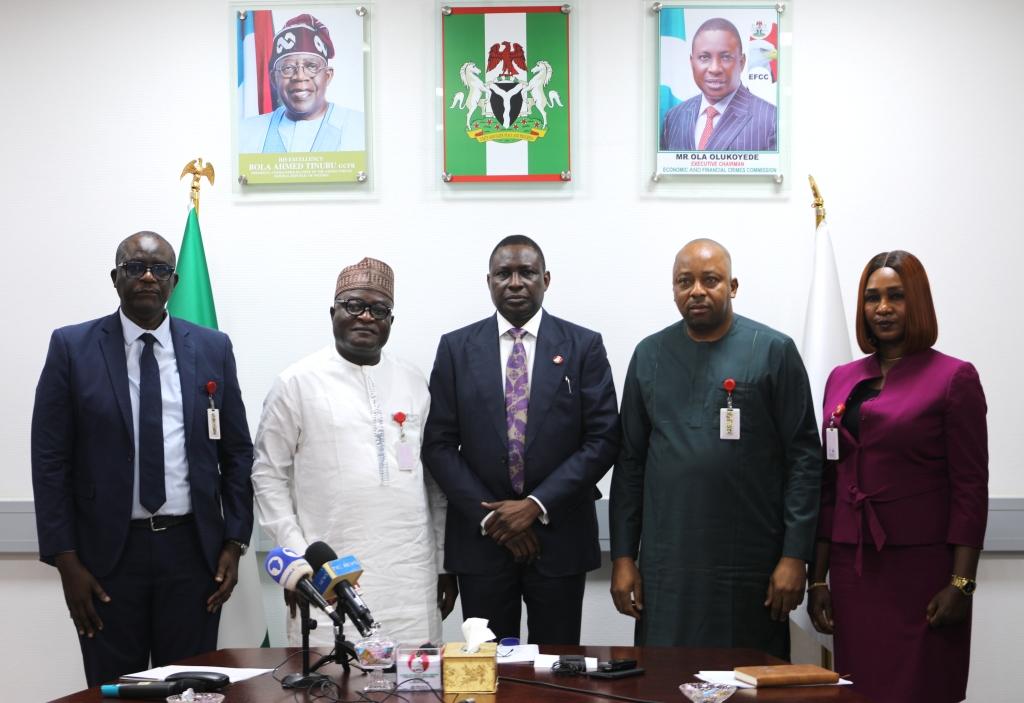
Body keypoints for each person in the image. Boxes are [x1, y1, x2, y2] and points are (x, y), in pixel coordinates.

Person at [31, 232, 254, 686]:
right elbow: (49, 461)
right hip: (105, 560)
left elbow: (236, 452)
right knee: (117, 689)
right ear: (116, 278)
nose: (149, 277)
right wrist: (66, 562)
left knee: (191, 689)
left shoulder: (213, 347)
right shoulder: (71, 348)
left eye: (161, 270)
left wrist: (234, 541)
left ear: (174, 281)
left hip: (192, 555)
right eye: (136, 267)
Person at [609, 238, 820, 660]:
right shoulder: (649, 355)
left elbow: (805, 460)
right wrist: (623, 558)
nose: (697, 291)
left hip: (752, 566)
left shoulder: (773, 351)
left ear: (734, 285)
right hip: (669, 566)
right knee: (665, 678)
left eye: (711, 280)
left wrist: (795, 556)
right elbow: (630, 464)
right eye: (684, 282)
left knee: (747, 680)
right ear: (673, 290)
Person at [806, 251, 988, 703]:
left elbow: (970, 488)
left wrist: (961, 584)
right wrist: (819, 578)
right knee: (859, 691)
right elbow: (829, 484)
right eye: (871, 298)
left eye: (895, 296)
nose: (881, 308)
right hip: (854, 572)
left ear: (918, 303)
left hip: (924, 574)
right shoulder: (841, 378)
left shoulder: (954, 378)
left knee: (922, 688)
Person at [423, 235, 619, 645]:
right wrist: (496, 519)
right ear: (488, 282)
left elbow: (603, 439)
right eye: (503, 274)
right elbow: (438, 445)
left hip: (560, 535)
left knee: (557, 670)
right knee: (486, 668)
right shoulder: (456, 348)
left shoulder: (583, 346)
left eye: (526, 273)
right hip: (482, 541)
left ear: (545, 279)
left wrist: (535, 505)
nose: (515, 282)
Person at [251, 257, 456, 646]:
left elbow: (434, 482)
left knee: (412, 686)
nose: (365, 317)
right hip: (326, 573)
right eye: (353, 305)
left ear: (390, 322)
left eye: (379, 310)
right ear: (333, 312)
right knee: (333, 683)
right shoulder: (296, 382)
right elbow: (267, 476)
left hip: (410, 575)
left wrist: (445, 563)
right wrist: (295, 558)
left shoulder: (414, 382)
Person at [238, 13, 365, 154]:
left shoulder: (360, 127)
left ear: (327, 76)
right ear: (274, 78)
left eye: (311, 66)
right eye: (288, 68)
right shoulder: (246, 132)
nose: (300, 76)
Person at [660, 18, 777, 152]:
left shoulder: (772, 120)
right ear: (692, 62)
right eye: (704, 57)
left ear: (742, 62)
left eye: (726, 57)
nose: (714, 69)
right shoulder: (673, 117)